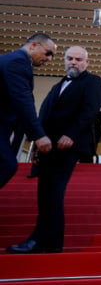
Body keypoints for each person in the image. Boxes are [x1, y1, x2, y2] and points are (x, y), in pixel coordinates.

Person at [7, 46, 101, 254]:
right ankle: (51, 243)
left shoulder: (92, 81)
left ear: (87, 62)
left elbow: (90, 111)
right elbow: (44, 114)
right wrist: (36, 144)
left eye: (79, 59)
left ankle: (40, 240)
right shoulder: (58, 85)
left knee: (51, 193)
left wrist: (72, 135)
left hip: (68, 146)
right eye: (70, 58)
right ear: (64, 60)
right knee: (47, 193)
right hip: (48, 147)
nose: (74, 62)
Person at [0, 33, 54, 188]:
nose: (49, 59)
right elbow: (23, 100)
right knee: (7, 164)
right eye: (48, 53)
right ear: (34, 45)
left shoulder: (9, 60)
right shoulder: (18, 62)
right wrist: (38, 135)